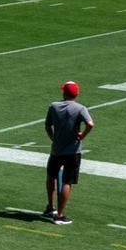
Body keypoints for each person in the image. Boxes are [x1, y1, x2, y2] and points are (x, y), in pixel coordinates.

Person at [43, 81, 93, 224]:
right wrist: (82, 136)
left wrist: (54, 139)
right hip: (73, 151)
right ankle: (59, 215)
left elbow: (47, 126)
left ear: (64, 93)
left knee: (51, 176)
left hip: (56, 150)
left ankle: (50, 208)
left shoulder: (54, 106)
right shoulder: (80, 108)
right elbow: (90, 124)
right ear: (76, 94)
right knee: (67, 182)